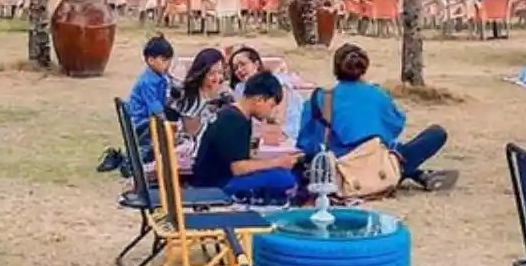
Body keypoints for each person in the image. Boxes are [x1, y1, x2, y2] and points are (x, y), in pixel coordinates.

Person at [296, 44, 456, 191]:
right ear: (364, 68)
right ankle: (414, 173)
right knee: (435, 134)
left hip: (338, 169)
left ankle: (414, 173)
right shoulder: (377, 94)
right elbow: (396, 125)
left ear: (335, 69)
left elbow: (305, 142)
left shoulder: (321, 98)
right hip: (379, 165)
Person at [189, 71, 299, 200]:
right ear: (259, 100)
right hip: (217, 184)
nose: (271, 111)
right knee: (284, 179)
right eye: (271, 106)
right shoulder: (233, 120)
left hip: (222, 179)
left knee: (282, 174)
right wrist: (277, 162)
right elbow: (238, 167)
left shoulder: (238, 117)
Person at [123, 35, 176, 154]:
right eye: (164, 60)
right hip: (142, 124)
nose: (168, 64)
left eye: (169, 61)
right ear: (151, 60)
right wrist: (169, 127)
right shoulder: (147, 82)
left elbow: (163, 102)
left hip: (149, 119)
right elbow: (157, 111)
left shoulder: (162, 76)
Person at [169, 47, 229, 138]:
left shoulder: (224, 95)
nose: (217, 78)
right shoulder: (188, 97)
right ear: (201, 74)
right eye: (211, 74)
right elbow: (192, 133)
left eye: (220, 72)